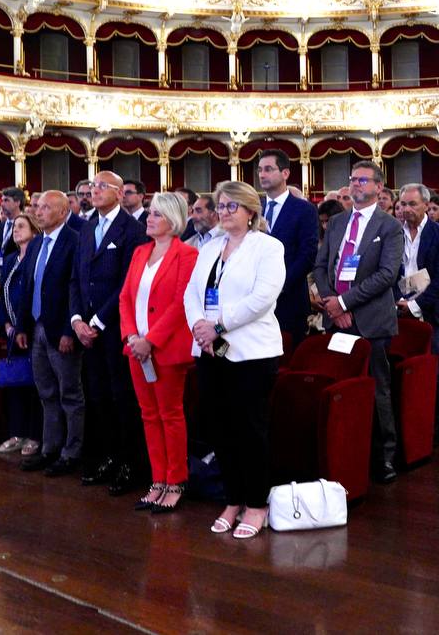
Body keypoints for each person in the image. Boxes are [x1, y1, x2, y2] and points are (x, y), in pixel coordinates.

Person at [185, 180, 286, 539]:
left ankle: (257, 503)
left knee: (250, 430)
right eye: (221, 206)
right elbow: (192, 294)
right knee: (220, 429)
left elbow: (263, 298)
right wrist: (200, 327)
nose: (224, 213)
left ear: (250, 211)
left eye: (232, 207)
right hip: (210, 351)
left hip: (251, 353)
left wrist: (219, 325)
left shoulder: (268, 247)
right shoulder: (210, 248)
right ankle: (232, 498)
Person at [313, 160, 405, 484]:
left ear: (379, 188)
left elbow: (387, 275)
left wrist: (344, 302)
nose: (356, 185)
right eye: (353, 179)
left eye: (364, 180)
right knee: (341, 388)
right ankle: (345, 452)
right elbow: (321, 266)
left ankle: (384, 458)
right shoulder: (337, 222)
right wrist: (331, 303)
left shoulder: (388, 226)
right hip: (336, 320)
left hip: (371, 322)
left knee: (377, 388)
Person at [119, 193, 198, 513]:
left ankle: (176, 480)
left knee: (170, 415)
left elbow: (181, 304)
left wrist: (150, 340)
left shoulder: (186, 254)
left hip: (164, 349)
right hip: (136, 348)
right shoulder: (140, 252)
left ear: (171, 220)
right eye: (149, 214)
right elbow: (125, 297)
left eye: (155, 215)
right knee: (148, 415)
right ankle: (157, 480)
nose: (148, 219)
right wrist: (131, 336)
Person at [71, 170, 147, 495]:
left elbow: (126, 283)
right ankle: (105, 458)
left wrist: (98, 322)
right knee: (97, 398)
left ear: (119, 193)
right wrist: (76, 319)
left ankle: (129, 464)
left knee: (121, 399)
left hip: (115, 329)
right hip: (86, 329)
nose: (94, 190)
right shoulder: (88, 226)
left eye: (102, 186)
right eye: (92, 186)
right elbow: (77, 276)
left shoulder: (132, 229)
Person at [17, 191, 84, 477]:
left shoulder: (74, 241)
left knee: (70, 393)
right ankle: (50, 448)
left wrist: (70, 329)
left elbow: (76, 288)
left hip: (61, 329)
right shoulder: (36, 244)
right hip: (37, 327)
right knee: (46, 392)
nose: (38, 211)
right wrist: (22, 325)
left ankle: (72, 453)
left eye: (45, 207)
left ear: (62, 212)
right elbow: (27, 286)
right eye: (37, 206)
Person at [395, 183, 439, 433]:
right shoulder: (393, 233)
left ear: (426, 206)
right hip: (398, 309)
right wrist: (399, 302)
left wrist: (415, 305)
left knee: (432, 371)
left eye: (412, 204)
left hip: (431, 312)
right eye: (402, 204)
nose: (406, 209)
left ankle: (434, 425)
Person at [256, 149, 319, 349]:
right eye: (259, 170)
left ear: (285, 173)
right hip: (256, 300)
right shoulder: (254, 208)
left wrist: (279, 283)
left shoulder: (304, 209)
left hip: (290, 296)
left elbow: (307, 254)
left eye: (268, 169)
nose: (262, 175)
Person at [0, 214, 42, 458]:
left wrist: (21, 326)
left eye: (21, 226)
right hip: (11, 330)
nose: (16, 230)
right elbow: (2, 295)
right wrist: (5, 324)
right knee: (15, 382)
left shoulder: (36, 257)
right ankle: (16, 432)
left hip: (30, 330)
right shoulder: (11, 258)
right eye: (14, 226)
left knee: (33, 384)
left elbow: (31, 295)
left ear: (35, 231)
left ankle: (34, 435)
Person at [0, 187, 26, 293]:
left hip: (16, 286)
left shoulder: (27, 227)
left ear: (17, 202)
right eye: (2, 200)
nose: (2, 204)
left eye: (6, 200)